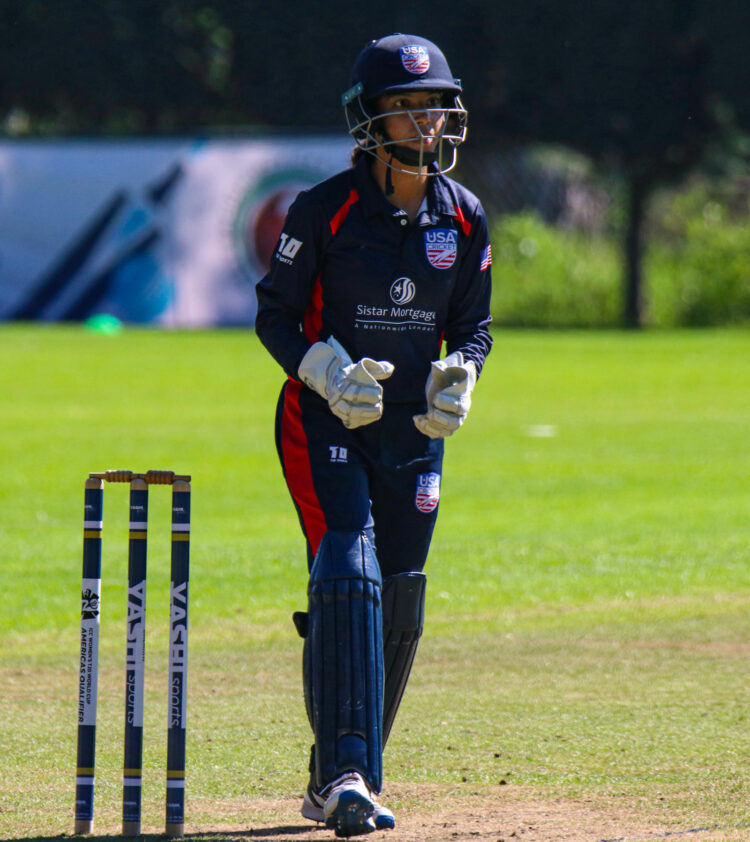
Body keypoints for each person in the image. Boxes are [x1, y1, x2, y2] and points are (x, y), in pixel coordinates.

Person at [255, 32, 493, 837]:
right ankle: (350, 772)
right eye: (408, 110)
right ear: (372, 123)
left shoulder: (463, 219)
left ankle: (336, 777)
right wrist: (322, 370)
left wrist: (460, 371)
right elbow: (275, 315)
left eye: (436, 108)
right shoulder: (324, 210)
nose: (427, 125)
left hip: (412, 431)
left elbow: (475, 326)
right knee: (347, 563)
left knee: (399, 599)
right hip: (325, 421)